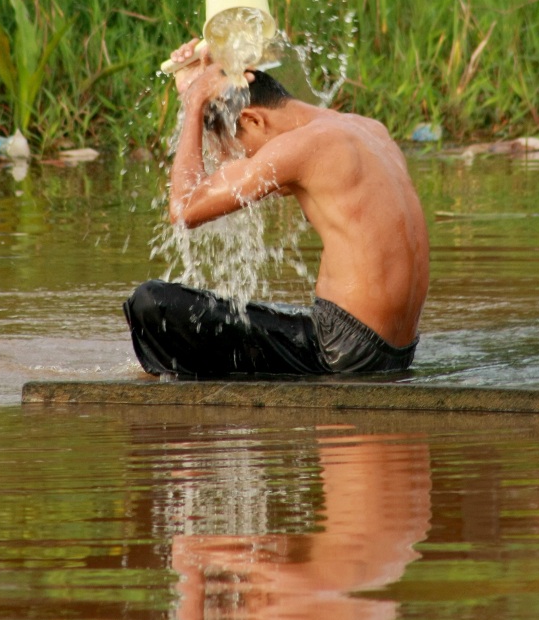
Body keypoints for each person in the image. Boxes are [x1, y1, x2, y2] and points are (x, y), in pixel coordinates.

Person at [124, 39, 430, 378]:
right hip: (399, 351)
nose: (241, 160)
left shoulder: (301, 147)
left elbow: (184, 209)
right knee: (243, 312)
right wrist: (198, 87)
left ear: (253, 120)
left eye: (240, 149)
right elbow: (241, 187)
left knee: (152, 304)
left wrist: (195, 102)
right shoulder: (366, 129)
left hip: (343, 350)